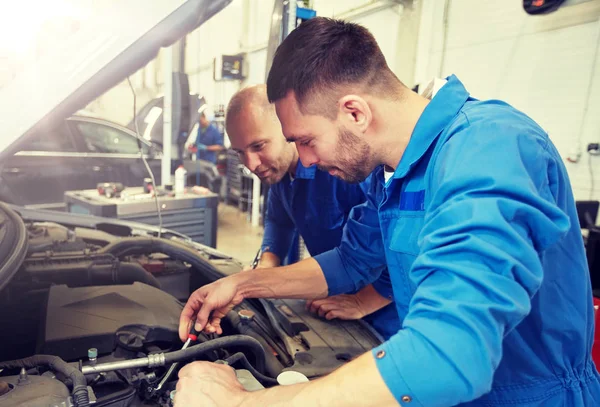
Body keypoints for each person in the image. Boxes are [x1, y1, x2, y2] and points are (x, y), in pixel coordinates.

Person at [174, 18, 600, 407]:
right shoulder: (392, 175)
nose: (303, 161)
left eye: (306, 140)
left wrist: (240, 403)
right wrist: (243, 284)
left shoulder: (492, 148)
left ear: (355, 112)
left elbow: (448, 353)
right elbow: (349, 262)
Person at [225, 84, 400, 339]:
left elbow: (398, 241)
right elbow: (279, 221)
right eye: (240, 153)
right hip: (333, 300)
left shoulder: (341, 168)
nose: (250, 164)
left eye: (259, 146)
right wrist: (267, 264)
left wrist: (365, 301)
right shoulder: (281, 176)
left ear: (286, 127)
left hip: (384, 315)